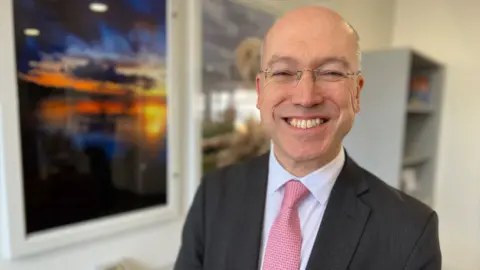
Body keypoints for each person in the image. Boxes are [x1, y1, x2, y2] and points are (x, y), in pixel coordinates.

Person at [174, 5, 441, 270]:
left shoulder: (411, 232)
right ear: (260, 92)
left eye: (331, 73)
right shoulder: (214, 193)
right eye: (283, 72)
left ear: (356, 93)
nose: (305, 97)